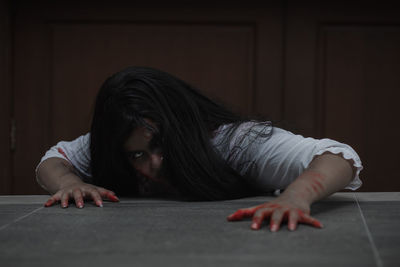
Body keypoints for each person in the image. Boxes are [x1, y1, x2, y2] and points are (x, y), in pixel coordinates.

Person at [35, 66, 363, 232]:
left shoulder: (233, 142)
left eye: (162, 145)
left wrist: (296, 197)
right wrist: (69, 184)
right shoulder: (112, 146)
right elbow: (53, 160)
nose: (155, 164)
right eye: (138, 155)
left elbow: (338, 156)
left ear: (183, 127)